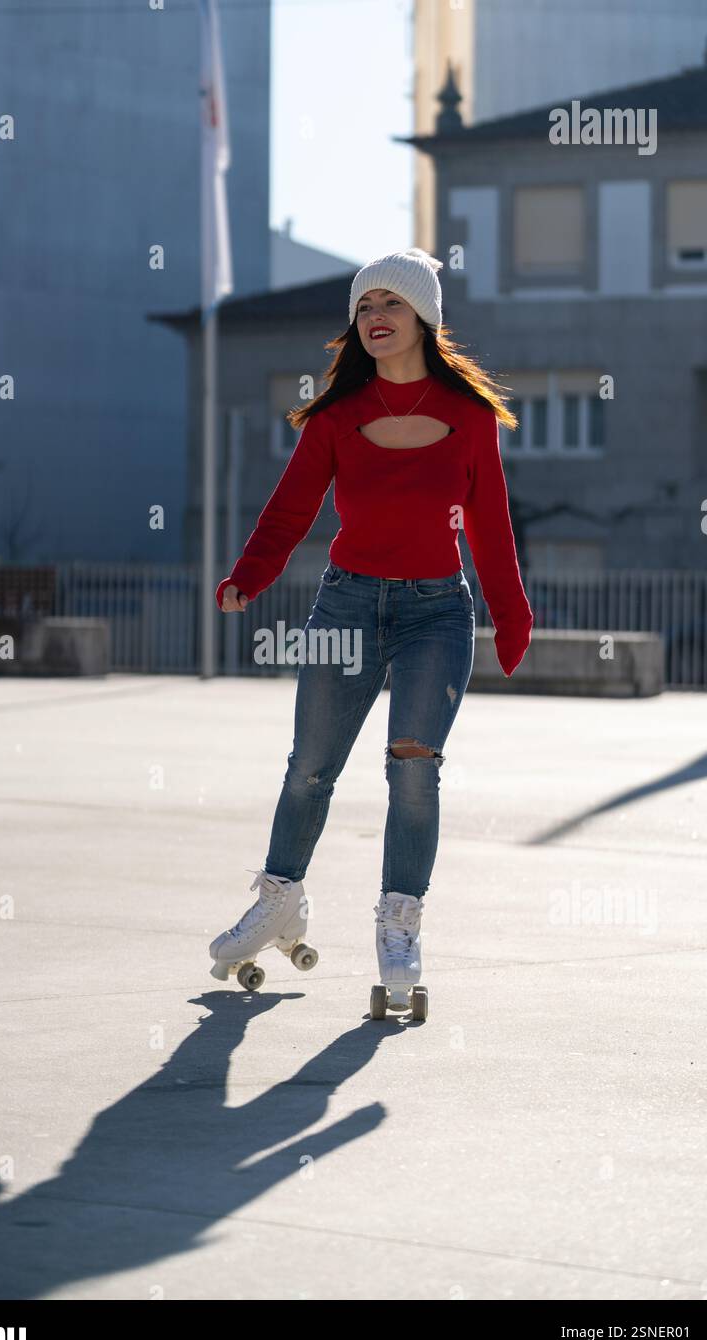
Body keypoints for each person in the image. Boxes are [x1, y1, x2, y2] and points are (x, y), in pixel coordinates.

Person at [209, 248, 533, 1014]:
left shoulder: (468, 416)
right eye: (364, 306)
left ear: (424, 316)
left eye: (391, 302)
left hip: (435, 615)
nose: (375, 317)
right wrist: (248, 576)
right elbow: (291, 509)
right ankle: (281, 897)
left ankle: (399, 922)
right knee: (310, 766)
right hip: (345, 607)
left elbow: (490, 528)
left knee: (413, 769)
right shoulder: (337, 416)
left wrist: (511, 616)